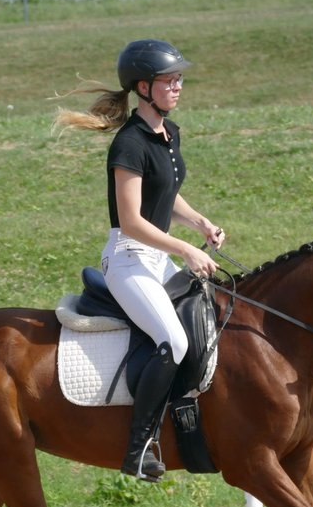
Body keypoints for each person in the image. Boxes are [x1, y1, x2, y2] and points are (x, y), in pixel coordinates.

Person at [54, 39, 225, 482]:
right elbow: (131, 221)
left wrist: (199, 223)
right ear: (144, 87)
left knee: (208, 314)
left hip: (158, 256)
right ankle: (139, 446)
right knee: (174, 341)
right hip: (130, 259)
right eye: (169, 81)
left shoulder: (168, 133)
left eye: (179, 79)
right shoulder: (128, 143)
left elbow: (167, 191)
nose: (178, 87)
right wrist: (185, 249)